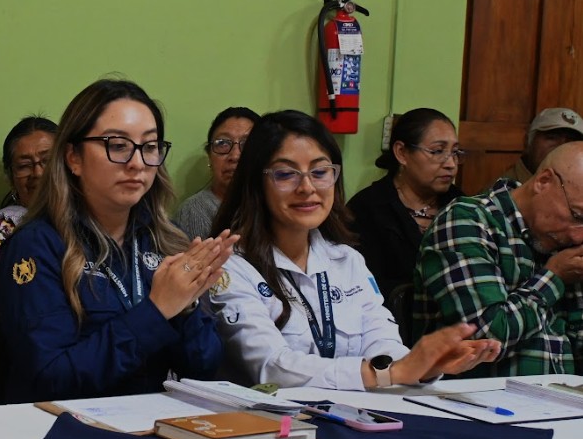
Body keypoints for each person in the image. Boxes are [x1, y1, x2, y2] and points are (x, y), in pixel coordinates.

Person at [207, 110, 499, 390]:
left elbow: (381, 340)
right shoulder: (230, 266)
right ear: (256, 183)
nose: (307, 187)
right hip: (264, 418)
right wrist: (388, 373)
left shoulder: (346, 259)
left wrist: (424, 366)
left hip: (349, 412)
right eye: (285, 174)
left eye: (320, 172)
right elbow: (272, 367)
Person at [0, 79, 232, 403]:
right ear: (73, 157)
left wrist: (185, 304)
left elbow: (203, 369)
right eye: (118, 145)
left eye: (150, 147)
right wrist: (156, 310)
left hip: (154, 421)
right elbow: (51, 378)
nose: (137, 163)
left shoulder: (164, 238)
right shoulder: (36, 246)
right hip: (66, 425)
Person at [414, 141, 583, 376]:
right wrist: (554, 278)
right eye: (577, 216)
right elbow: (485, 336)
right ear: (544, 181)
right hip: (476, 394)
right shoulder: (468, 220)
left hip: (560, 394)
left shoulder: (564, 242)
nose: (578, 235)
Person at [347, 108, 465, 301]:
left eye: (455, 152)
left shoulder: (461, 206)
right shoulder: (366, 209)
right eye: (437, 151)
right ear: (401, 153)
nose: (451, 164)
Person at [0, 116, 57, 314]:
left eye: (48, 161)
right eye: (24, 166)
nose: (38, 173)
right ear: (10, 178)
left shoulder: (91, 222)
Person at [173, 107, 260, 240]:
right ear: (209, 156)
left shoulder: (274, 205)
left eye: (247, 144)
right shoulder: (193, 211)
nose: (235, 156)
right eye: (222, 143)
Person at [497, 107, 583, 185]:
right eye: (552, 137)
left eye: (572, 141)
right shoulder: (505, 192)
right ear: (528, 142)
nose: (562, 146)